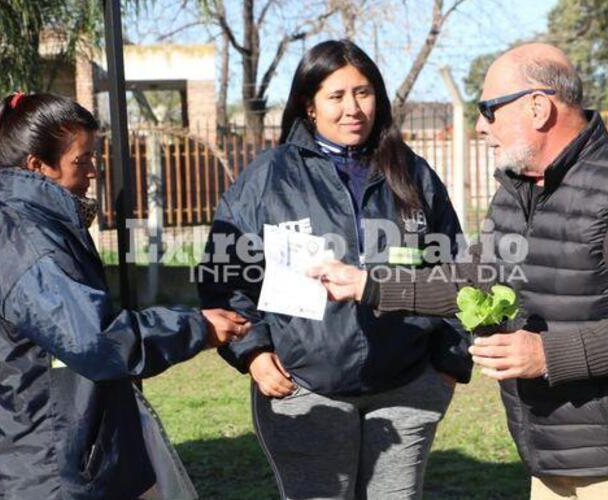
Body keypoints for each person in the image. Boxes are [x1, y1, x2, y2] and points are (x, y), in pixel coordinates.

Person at [310, 43, 608, 499]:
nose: (480, 125)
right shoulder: (518, 190)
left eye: (489, 110)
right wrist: (368, 284)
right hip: (552, 463)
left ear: (538, 108)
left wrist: (545, 355)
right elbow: (474, 280)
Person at [0, 92, 252, 500]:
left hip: (60, 455)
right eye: (82, 159)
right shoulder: (29, 244)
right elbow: (96, 339)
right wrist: (197, 327)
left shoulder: (41, 228)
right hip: (45, 471)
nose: (94, 170)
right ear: (37, 166)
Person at [198, 40, 469, 499]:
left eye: (363, 93)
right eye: (336, 96)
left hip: (407, 386)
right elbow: (224, 276)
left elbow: (456, 269)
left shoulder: (414, 174)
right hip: (305, 389)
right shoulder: (268, 178)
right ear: (309, 104)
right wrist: (254, 353)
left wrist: (448, 359)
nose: (353, 109)